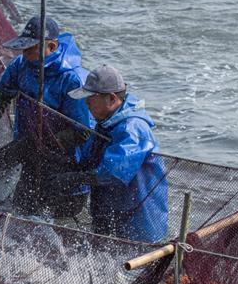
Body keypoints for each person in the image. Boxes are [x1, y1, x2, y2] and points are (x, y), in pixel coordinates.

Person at [0, 15, 93, 217]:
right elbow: (2, 92)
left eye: (31, 49)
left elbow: (82, 132)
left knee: (59, 221)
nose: (25, 54)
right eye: (24, 49)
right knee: (21, 212)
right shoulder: (21, 65)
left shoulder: (71, 79)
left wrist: (44, 144)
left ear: (51, 47)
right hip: (31, 154)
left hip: (65, 164)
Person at [45, 65, 168, 243]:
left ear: (111, 99)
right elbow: (90, 159)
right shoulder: (105, 123)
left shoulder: (132, 129)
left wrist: (74, 178)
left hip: (139, 220)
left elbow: (113, 173)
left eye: (91, 98)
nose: (86, 104)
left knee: (130, 263)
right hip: (110, 209)